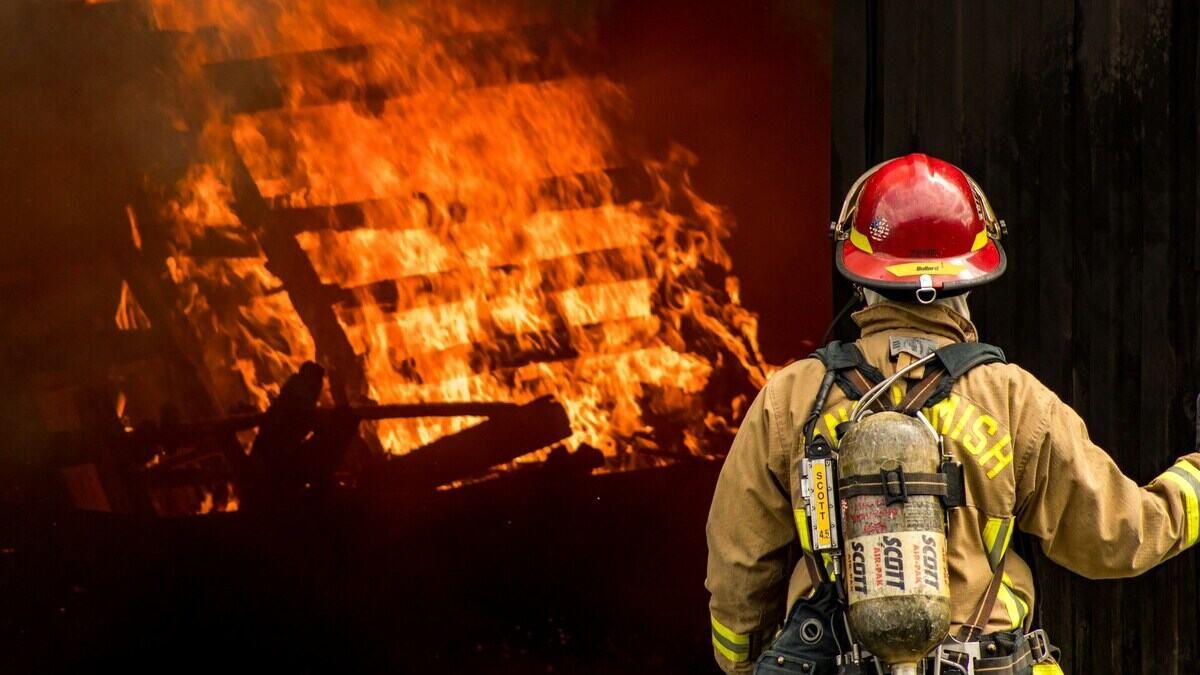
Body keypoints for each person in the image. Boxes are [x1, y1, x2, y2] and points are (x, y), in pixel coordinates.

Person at [705, 154, 1200, 675]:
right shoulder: (1013, 400)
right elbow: (1119, 536)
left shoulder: (792, 398)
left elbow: (737, 565)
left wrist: (746, 661)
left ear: (860, 275)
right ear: (970, 280)